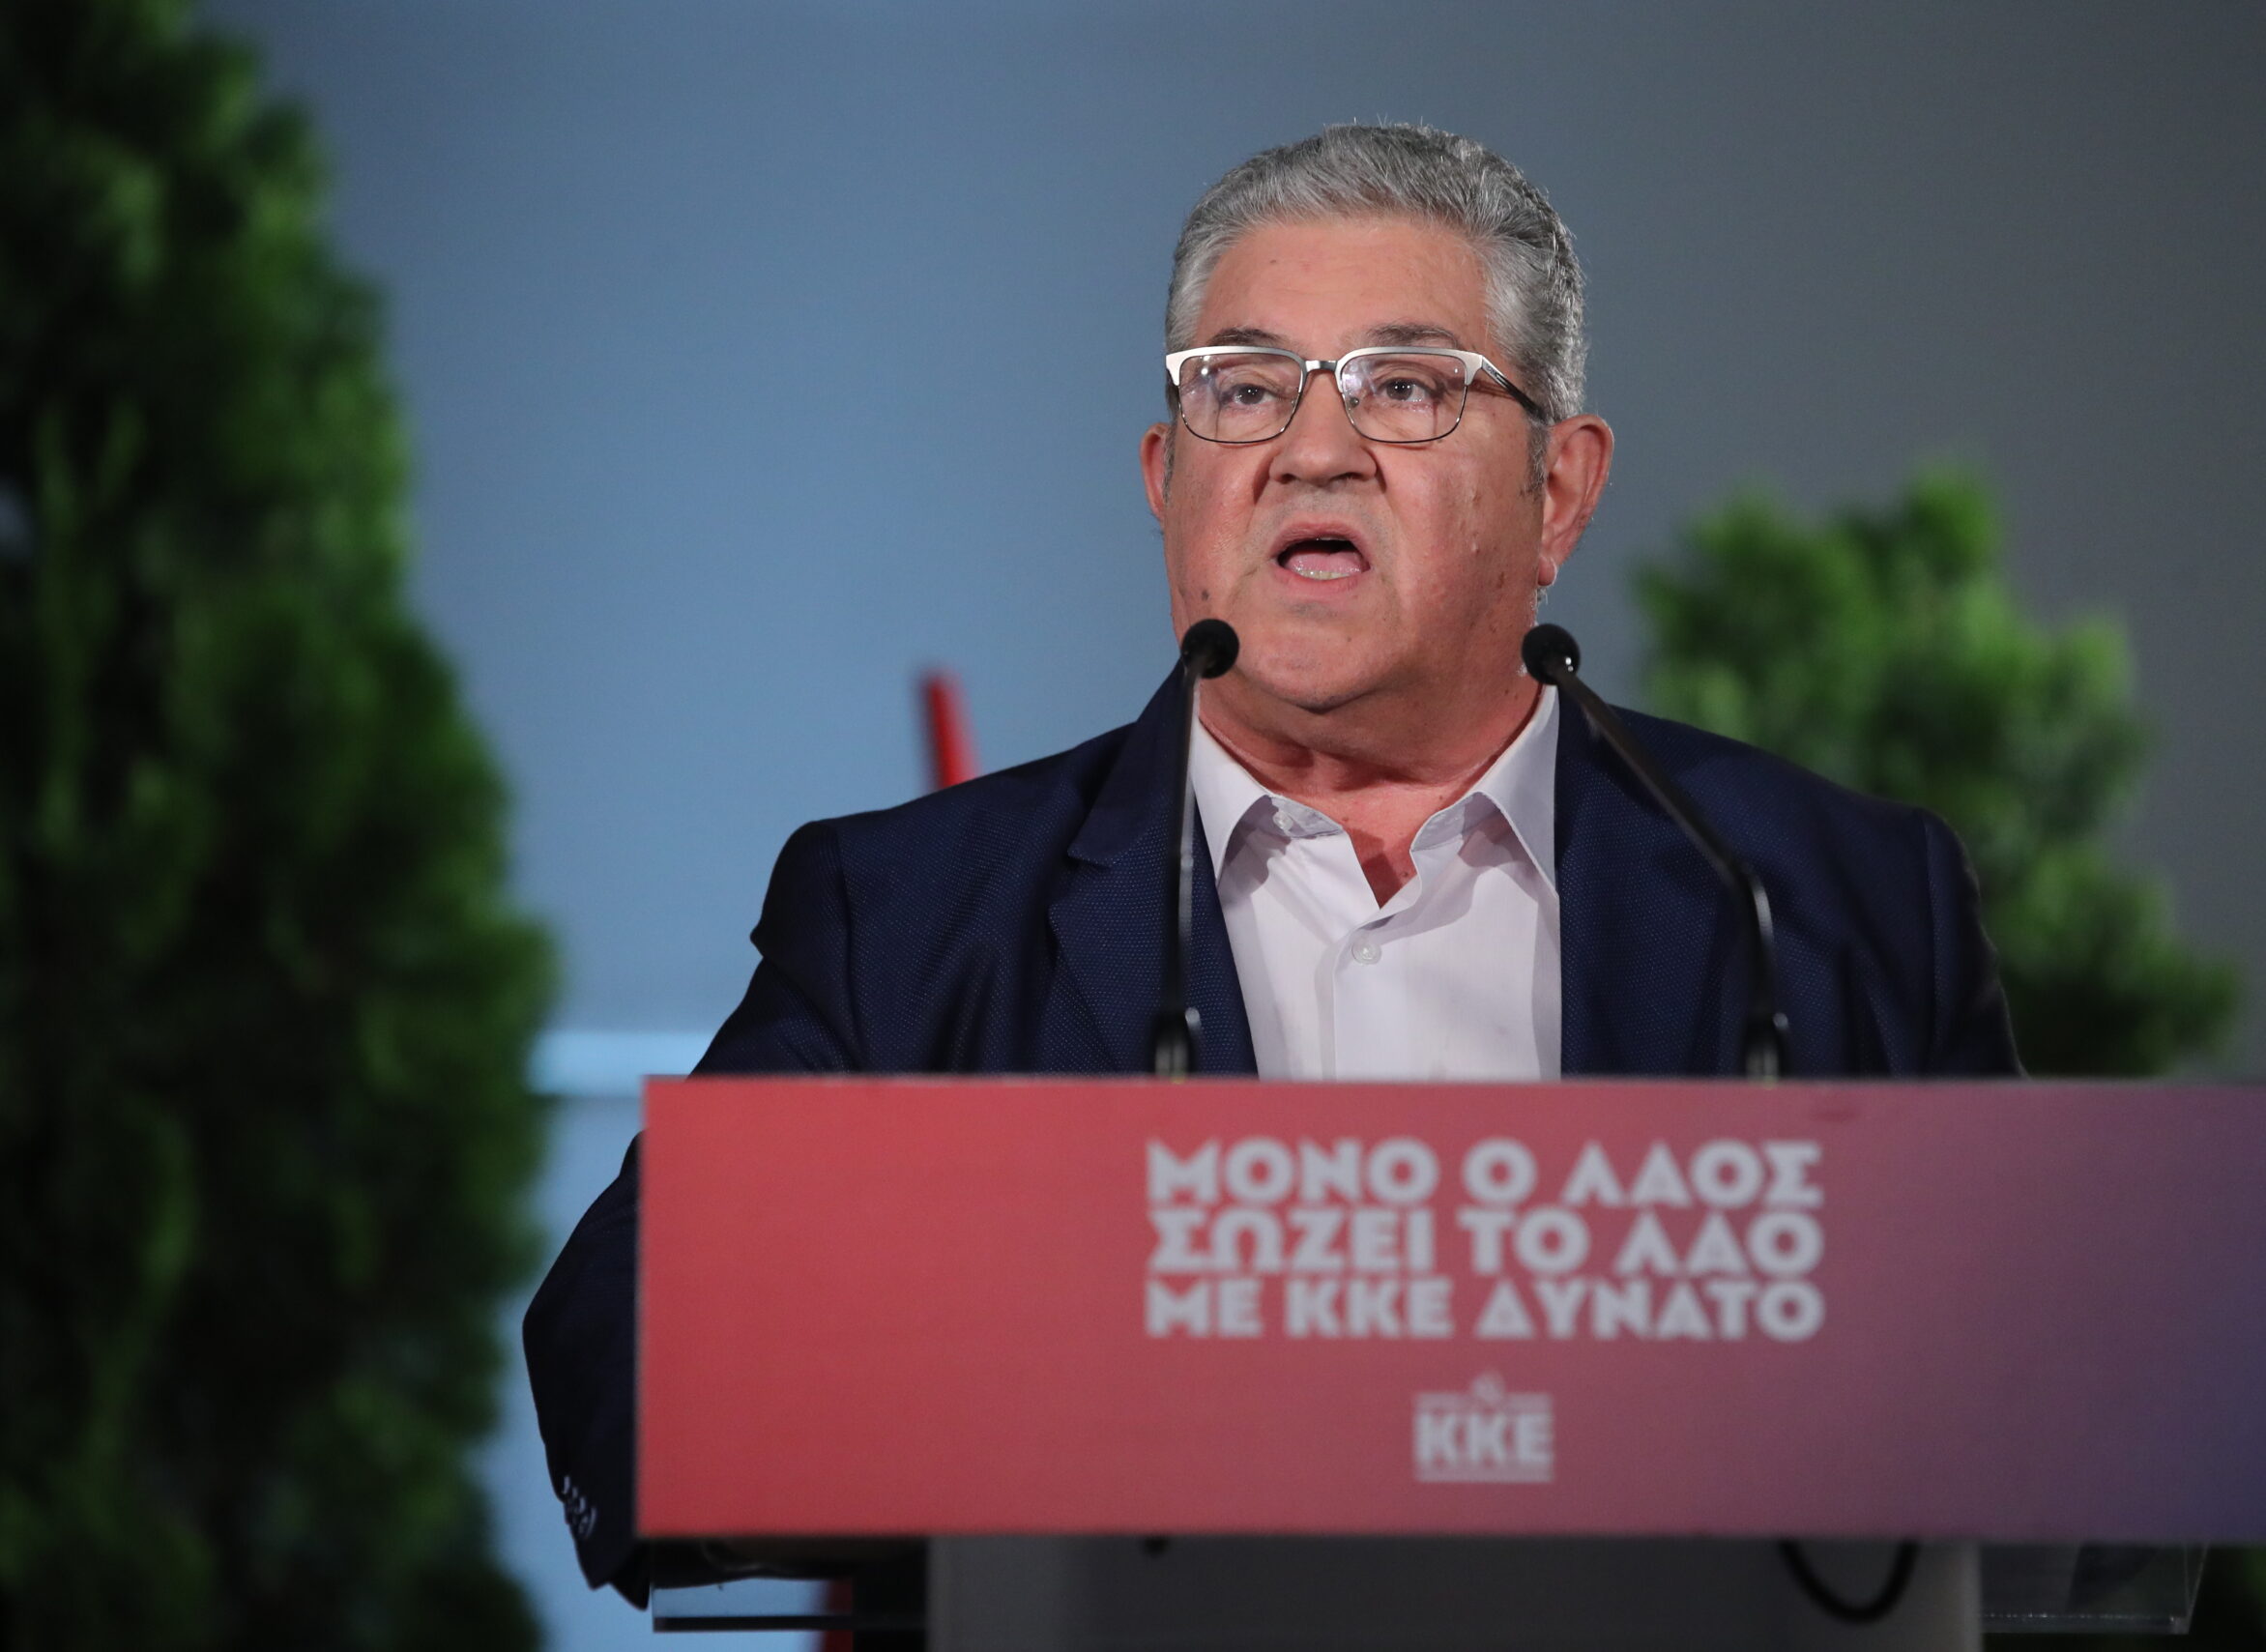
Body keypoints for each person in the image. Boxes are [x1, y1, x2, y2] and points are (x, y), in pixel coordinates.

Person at [524, 122, 2019, 1604]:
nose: (1313, 449)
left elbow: (2043, 1382)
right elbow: (622, 1359)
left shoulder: (1829, 902)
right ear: (1165, 476)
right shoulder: (913, 917)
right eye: (1244, 390)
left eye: (1405, 386)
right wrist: (1057, 1388)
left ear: (1559, 490)